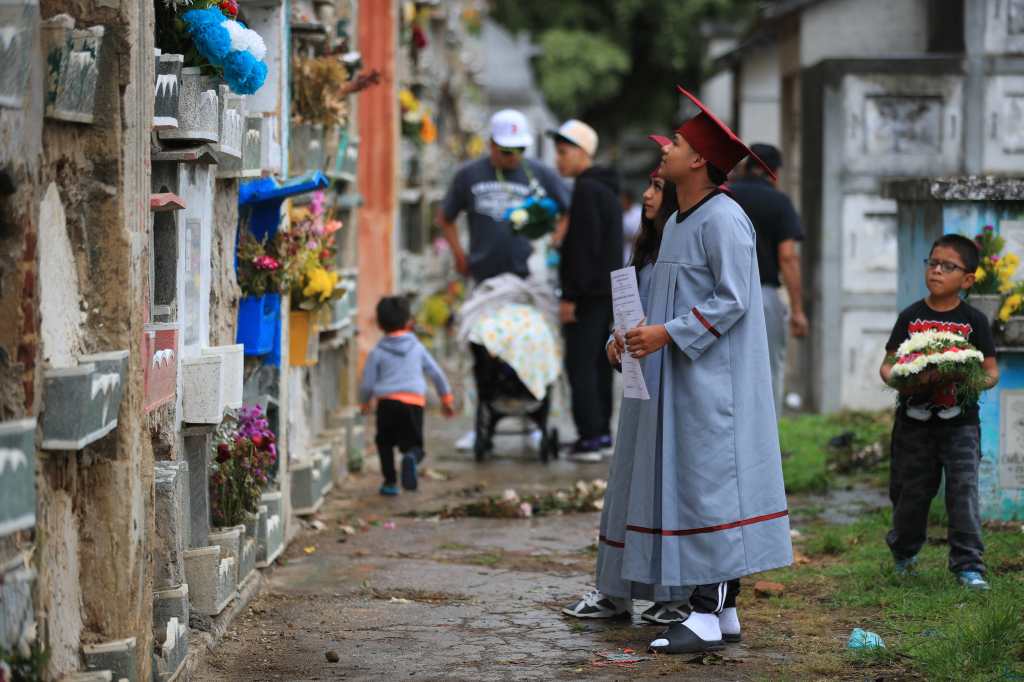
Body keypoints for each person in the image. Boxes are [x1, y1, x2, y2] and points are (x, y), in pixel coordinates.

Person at [599, 86, 792, 655]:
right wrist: (631, 337)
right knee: (695, 488)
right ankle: (720, 612)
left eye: (677, 143)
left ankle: (709, 614)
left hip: (717, 386)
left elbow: (733, 299)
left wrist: (667, 334)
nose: (666, 152)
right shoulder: (680, 220)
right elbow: (666, 295)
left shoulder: (725, 219)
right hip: (680, 381)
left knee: (716, 490)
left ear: (700, 160)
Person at [563, 140, 686, 625]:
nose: (649, 196)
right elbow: (632, 318)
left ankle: (669, 595)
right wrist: (615, 346)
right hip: (639, 388)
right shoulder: (646, 250)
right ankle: (614, 590)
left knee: (661, 490)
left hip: (671, 388)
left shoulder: (684, 244)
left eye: (659, 187)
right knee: (626, 486)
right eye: (650, 186)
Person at [879, 235, 999, 590]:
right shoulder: (911, 317)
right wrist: (904, 380)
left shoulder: (974, 321)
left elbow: (991, 372)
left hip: (961, 425)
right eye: (932, 263)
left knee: (963, 493)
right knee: (911, 492)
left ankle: (968, 565)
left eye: (948, 266)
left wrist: (967, 377)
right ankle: (904, 553)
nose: (937, 271)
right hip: (913, 425)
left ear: (967, 279)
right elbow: (887, 366)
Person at [550, 119, 624, 459]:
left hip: (586, 294)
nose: (558, 160)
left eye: (563, 152)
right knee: (598, 364)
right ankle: (601, 435)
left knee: (580, 365)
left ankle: (589, 436)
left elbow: (583, 248)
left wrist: (569, 296)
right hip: (604, 292)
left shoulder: (586, 189)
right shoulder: (605, 188)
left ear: (582, 153)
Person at [437, 109, 571, 284]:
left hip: (530, 276)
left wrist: (555, 242)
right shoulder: (468, 175)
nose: (514, 156)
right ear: (491, 144)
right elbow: (445, 218)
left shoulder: (540, 172)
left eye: (520, 149)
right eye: (507, 151)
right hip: (483, 277)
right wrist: (459, 256)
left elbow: (570, 209)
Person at [728, 144, 807, 416]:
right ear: (774, 171)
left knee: (727, 368)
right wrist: (797, 310)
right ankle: (765, 445)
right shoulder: (779, 201)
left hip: (721, 294)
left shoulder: (724, 196)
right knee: (769, 369)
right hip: (763, 295)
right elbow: (787, 257)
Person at [359, 297, 455, 496]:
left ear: (379, 324)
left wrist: (365, 402)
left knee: (384, 443)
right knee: (415, 445)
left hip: (386, 403)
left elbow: (367, 382)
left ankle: (390, 482)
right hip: (413, 403)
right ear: (408, 321)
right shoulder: (418, 348)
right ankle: (411, 457)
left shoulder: (377, 351)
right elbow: (436, 373)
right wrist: (446, 399)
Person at [621, 187, 642, 266]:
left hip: (637, 255)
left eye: (623, 199)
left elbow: (640, 235)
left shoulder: (638, 211)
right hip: (624, 256)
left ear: (629, 200)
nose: (621, 201)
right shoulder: (621, 214)